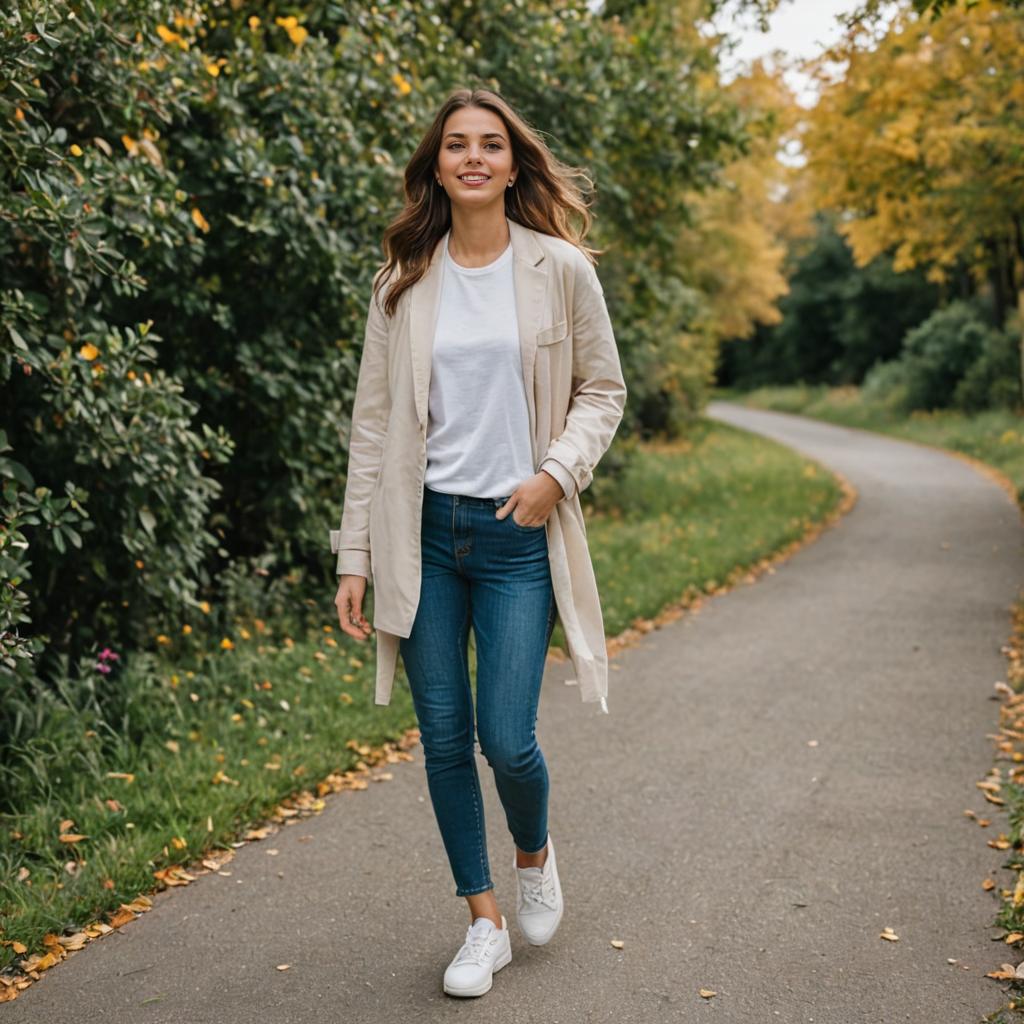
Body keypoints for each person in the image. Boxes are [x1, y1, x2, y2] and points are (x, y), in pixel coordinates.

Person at [332, 86, 626, 998]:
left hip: (512, 535)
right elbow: (373, 427)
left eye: (489, 145)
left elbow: (603, 391)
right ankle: (483, 920)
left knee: (508, 738)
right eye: (456, 145)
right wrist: (355, 554)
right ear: (437, 165)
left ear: (511, 162)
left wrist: (555, 475)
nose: (472, 158)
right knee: (445, 740)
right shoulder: (402, 282)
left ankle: (534, 854)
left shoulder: (559, 268)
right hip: (421, 534)